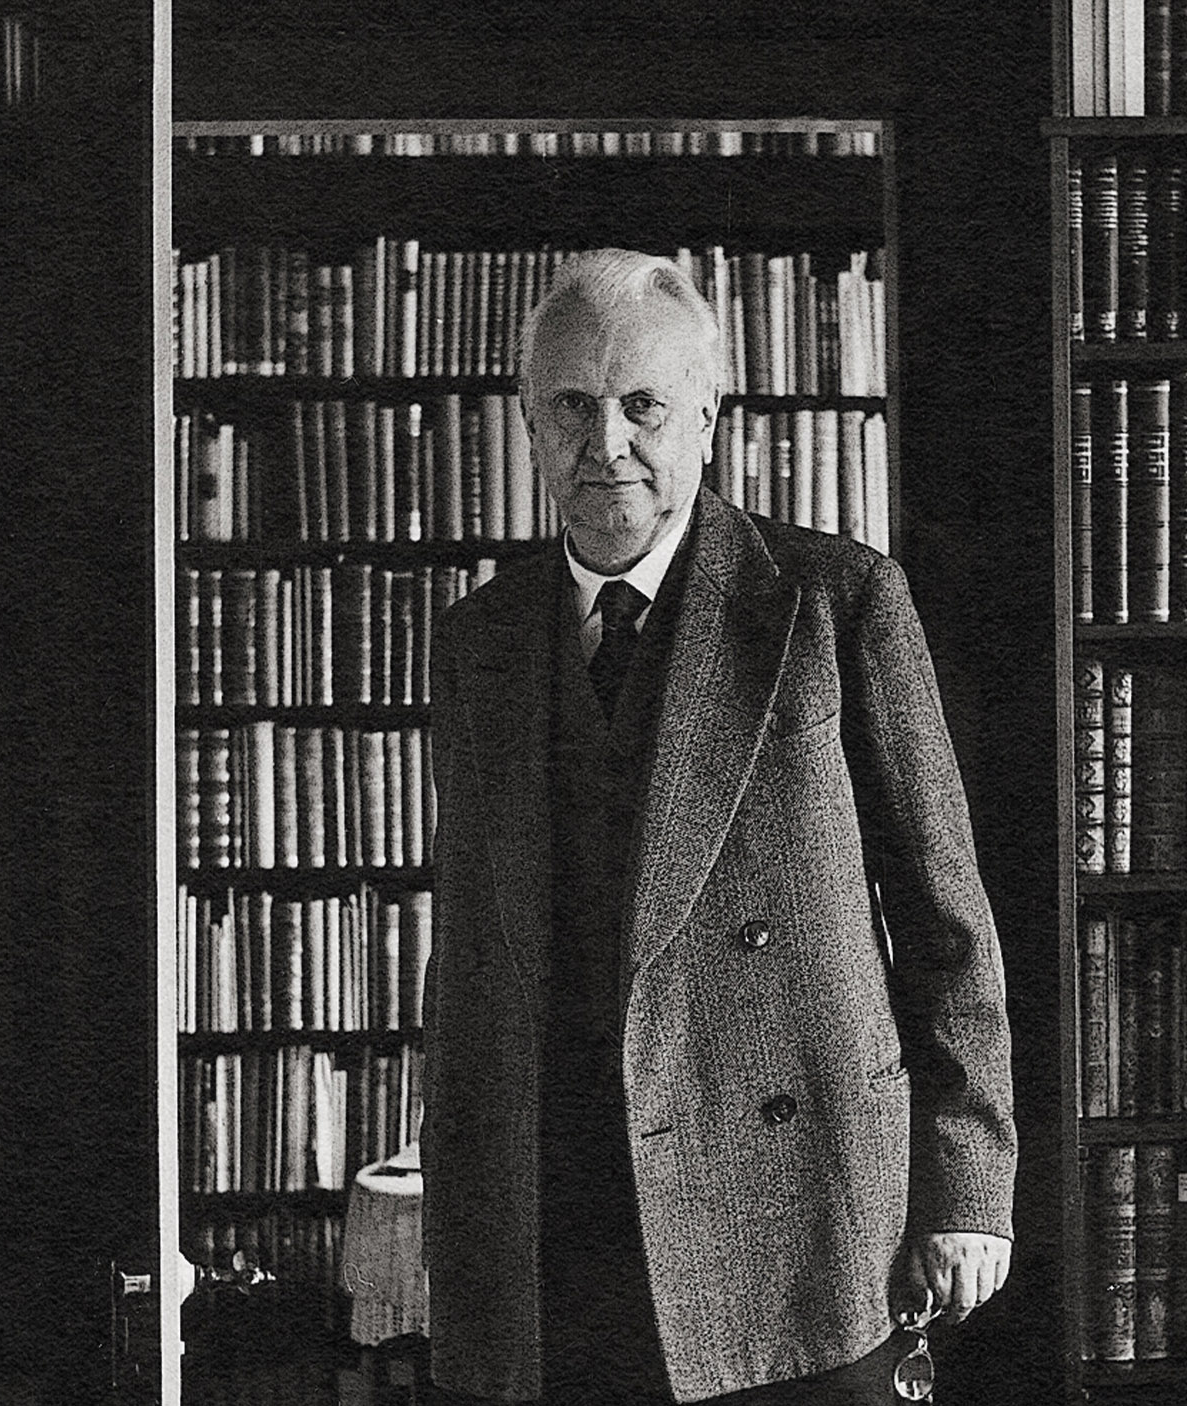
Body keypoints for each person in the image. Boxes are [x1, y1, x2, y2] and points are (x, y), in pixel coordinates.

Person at [422, 249, 1016, 1406]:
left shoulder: (834, 601)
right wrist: (456, 1210)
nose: (608, 444)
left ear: (706, 413)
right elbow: (470, 963)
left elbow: (947, 919)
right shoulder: (478, 642)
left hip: (796, 1209)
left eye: (643, 405)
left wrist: (966, 1189)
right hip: (556, 1210)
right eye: (571, 408)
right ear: (529, 425)